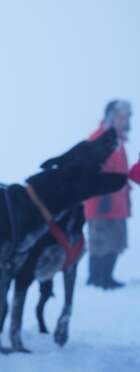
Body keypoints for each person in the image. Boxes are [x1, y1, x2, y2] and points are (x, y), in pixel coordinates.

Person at [85, 100, 132, 289]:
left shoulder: (120, 141)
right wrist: (102, 195)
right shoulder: (99, 138)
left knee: (116, 241)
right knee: (101, 242)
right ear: (110, 116)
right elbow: (92, 168)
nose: (123, 120)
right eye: (120, 116)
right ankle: (97, 279)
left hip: (118, 201)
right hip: (101, 200)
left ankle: (107, 277)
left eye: (126, 116)